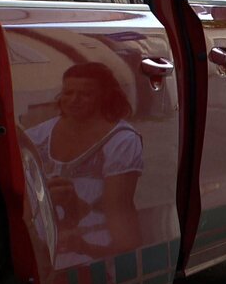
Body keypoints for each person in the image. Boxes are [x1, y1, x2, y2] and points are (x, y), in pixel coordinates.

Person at [26, 62, 143, 269]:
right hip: (44, 239)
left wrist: (84, 244)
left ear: (104, 97)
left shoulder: (122, 141)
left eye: (85, 94)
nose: (74, 100)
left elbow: (118, 214)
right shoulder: (36, 136)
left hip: (94, 244)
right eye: (68, 92)